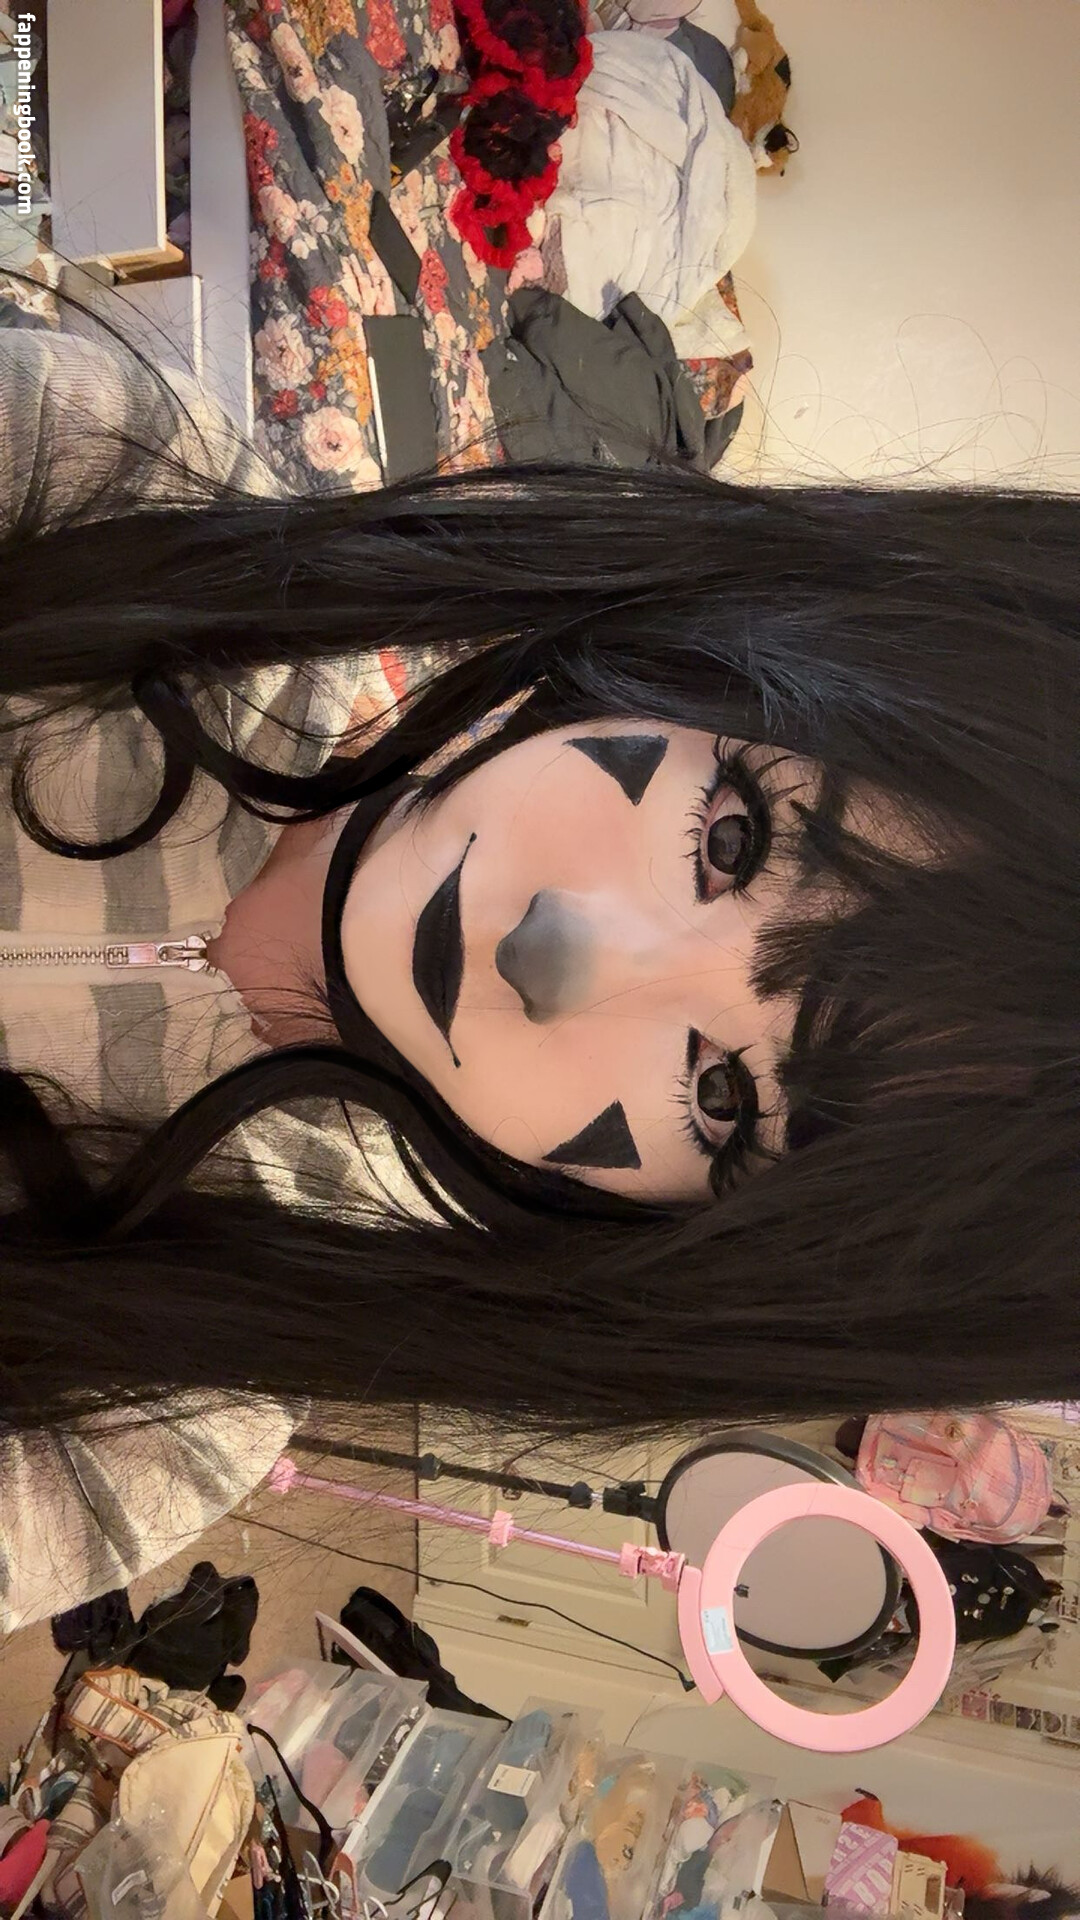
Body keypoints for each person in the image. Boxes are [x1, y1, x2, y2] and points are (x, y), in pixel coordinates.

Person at [0, 322, 1077, 1631]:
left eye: (725, 1101)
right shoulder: (126, 490)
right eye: (731, 840)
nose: (561, 960)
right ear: (700, 659)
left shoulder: (156, 1414)